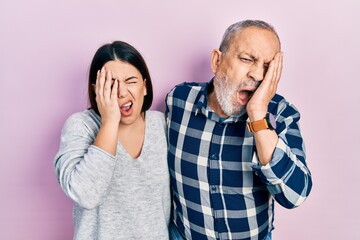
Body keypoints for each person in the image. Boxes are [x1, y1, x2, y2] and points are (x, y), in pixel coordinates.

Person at [166, 20, 312, 240]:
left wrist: (258, 116)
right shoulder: (178, 100)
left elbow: (295, 196)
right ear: (217, 60)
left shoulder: (280, 113)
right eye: (247, 59)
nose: (258, 75)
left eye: (267, 66)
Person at [54, 41, 170, 239]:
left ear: (145, 86)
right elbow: (86, 194)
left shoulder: (161, 124)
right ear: (96, 89)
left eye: (131, 81)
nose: (122, 92)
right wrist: (109, 122)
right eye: (111, 84)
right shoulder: (80, 126)